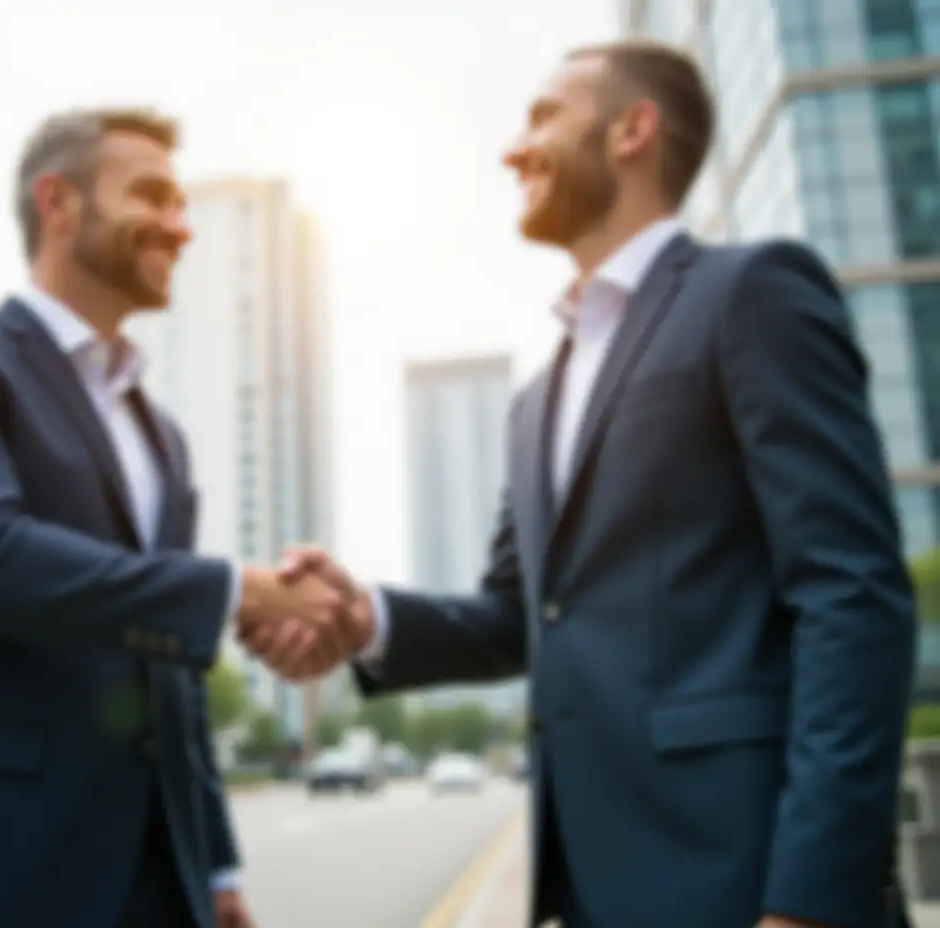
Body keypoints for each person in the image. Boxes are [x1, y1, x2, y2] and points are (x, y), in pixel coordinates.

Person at [254, 40, 917, 928]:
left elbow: (854, 592)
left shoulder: (752, 292)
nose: (512, 150)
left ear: (631, 130)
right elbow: (517, 615)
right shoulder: (537, 401)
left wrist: (811, 902)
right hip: (597, 890)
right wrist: (363, 616)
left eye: (542, 118)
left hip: (746, 876)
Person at [0, 107, 353, 928]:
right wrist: (236, 594)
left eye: (184, 206)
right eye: (154, 198)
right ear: (57, 202)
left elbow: (168, 665)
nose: (182, 229)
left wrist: (213, 862)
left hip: (148, 878)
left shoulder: (164, 438)